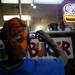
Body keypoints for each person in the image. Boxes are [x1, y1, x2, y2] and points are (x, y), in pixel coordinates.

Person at [0, 18, 67, 75]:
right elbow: (64, 59)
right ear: (29, 40)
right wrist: (50, 41)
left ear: (3, 41)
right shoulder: (42, 68)